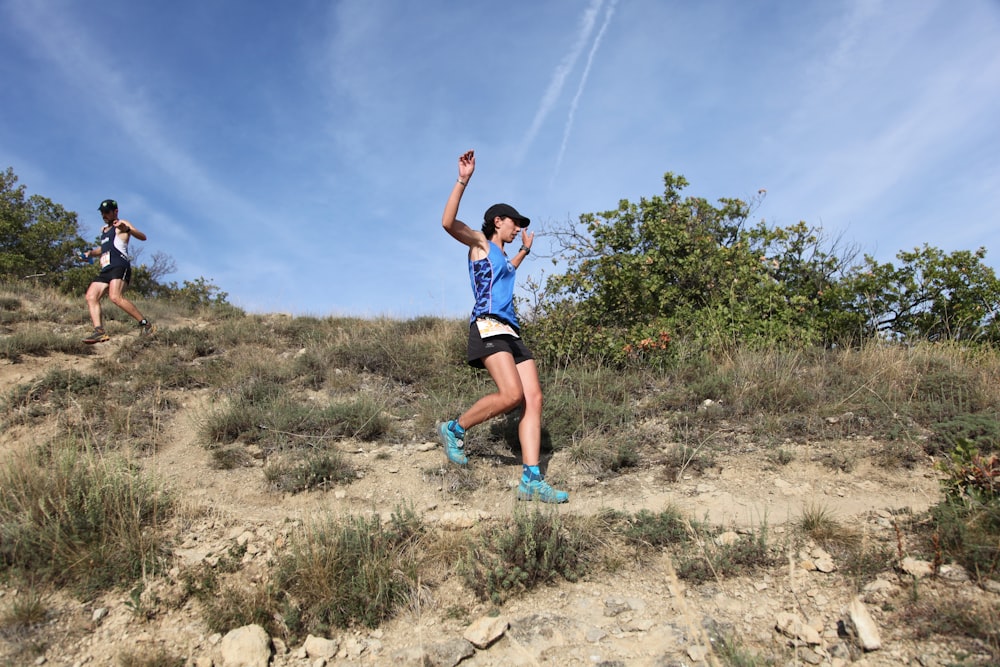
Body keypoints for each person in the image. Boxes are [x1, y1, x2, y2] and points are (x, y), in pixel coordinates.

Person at [437, 150, 568, 503]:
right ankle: (454, 428)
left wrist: (524, 251)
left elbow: (508, 269)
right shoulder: (479, 245)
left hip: (511, 333)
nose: (518, 227)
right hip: (488, 327)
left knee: (534, 398)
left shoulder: (505, 258)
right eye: (514, 223)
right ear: (498, 221)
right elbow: (448, 223)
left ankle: (531, 479)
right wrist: (463, 179)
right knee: (511, 395)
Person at [81, 199, 155, 344]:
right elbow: (103, 249)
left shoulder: (122, 224)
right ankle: (99, 332)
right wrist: (90, 253)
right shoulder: (103, 230)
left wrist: (126, 229)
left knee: (115, 297)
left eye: (107, 212)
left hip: (119, 265)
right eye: (102, 212)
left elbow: (142, 237)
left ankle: (146, 325)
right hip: (105, 269)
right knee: (91, 296)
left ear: (115, 211)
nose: (104, 215)